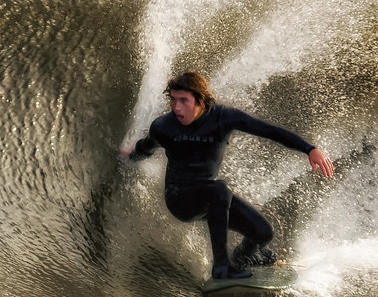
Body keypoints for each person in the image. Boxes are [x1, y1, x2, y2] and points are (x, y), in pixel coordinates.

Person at [120, 72, 334, 279]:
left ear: (200, 100)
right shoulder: (163, 127)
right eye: (173, 100)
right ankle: (221, 267)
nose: (176, 107)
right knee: (219, 190)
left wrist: (309, 149)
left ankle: (242, 257)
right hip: (179, 199)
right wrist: (129, 158)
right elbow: (145, 147)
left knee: (263, 232)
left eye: (183, 100)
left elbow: (269, 131)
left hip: (210, 196)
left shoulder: (222, 118)